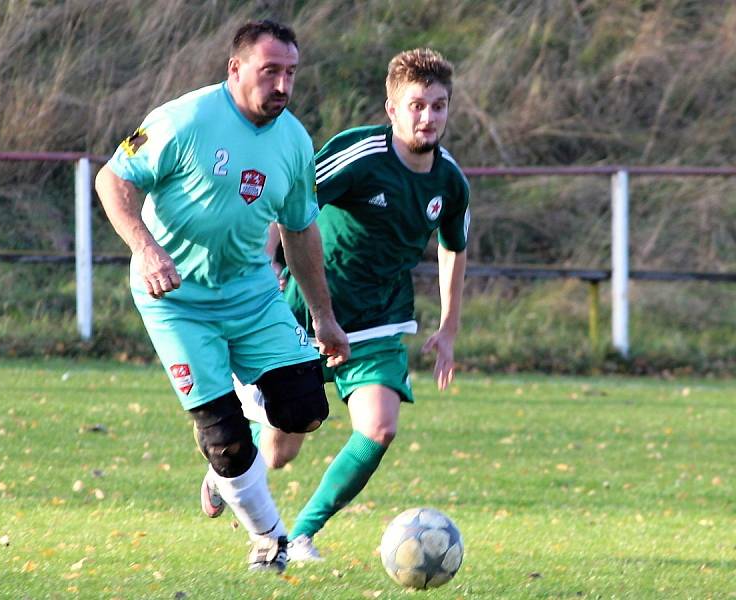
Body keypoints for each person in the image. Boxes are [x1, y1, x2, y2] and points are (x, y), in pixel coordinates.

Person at [95, 19, 350, 573]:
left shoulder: (295, 141)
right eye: (270, 72)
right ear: (235, 69)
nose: (282, 85)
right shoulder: (182, 119)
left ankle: (227, 460)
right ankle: (271, 539)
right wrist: (144, 247)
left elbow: (301, 229)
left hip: (253, 296)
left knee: (305, 409)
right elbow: (113, 180)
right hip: (177, 301)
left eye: (291, 74)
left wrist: (325, 318)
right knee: (227, 440)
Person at [216, 47, 470, 562]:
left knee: (379, 427)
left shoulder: (450, 181)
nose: (428, 117)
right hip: (308, 314)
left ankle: (300, 535)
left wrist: (448, 327)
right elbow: (289, 202)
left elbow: (453, 247)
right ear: (392, 108)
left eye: (439, 106)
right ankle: (227, 467)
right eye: (417, 105)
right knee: (280, 451)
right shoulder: (359, 155)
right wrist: (267, 263)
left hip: (379, 323)